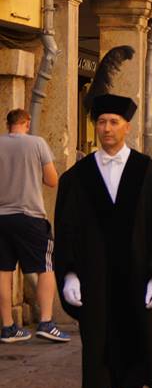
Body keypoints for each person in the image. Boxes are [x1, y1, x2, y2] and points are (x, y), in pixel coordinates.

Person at [54, 82, 152, 388]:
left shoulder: (148, 172)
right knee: (95, 349)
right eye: (102, 122)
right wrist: (70, 273)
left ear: (127, 127)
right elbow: (67, 230)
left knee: (134, 340)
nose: (107, 128)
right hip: (94, 278)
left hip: (136, 276)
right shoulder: (76, 178)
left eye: (114, 122)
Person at [0, 108, 70, 344]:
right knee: (45, 267)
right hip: (29, 215)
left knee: (3, 270)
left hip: (1, 217)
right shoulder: (37, 143)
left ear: (8, 124)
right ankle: (47, 322)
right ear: (27, 123)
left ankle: (8, 326)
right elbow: (52, 180)